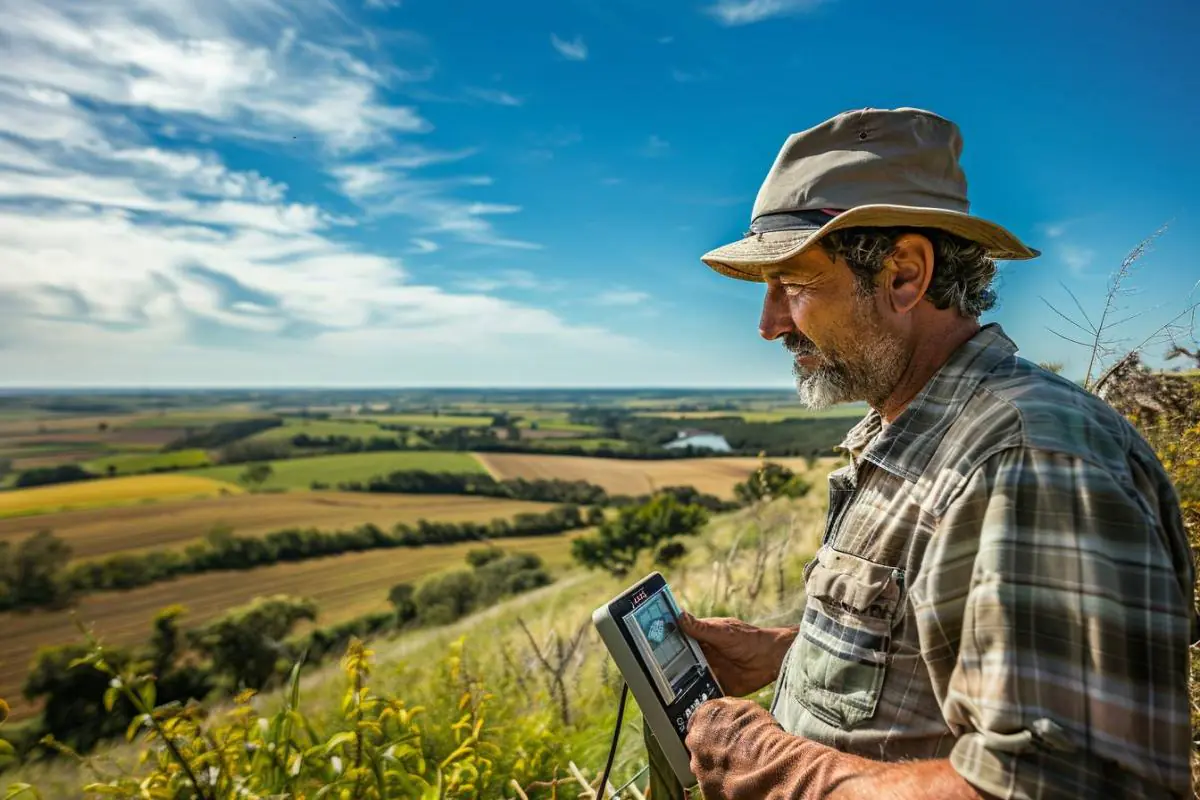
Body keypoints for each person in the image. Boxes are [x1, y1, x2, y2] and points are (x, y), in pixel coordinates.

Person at [676, 107, 1195, 800]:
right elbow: (935, 666)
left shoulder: (1026, 461)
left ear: (903, 275)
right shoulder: (922, 434)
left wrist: (772, 768)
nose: (770, 325)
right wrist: (789, 655)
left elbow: (1059, 786)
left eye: (793, 284)